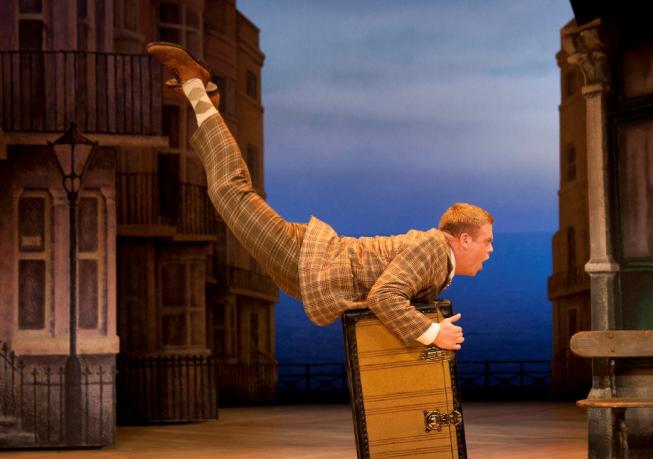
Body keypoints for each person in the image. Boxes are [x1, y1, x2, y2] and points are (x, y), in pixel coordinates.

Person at [146, 42, 494, 351]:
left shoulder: (438, 267)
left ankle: (206, 103)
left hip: (310, 275)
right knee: (229, 191)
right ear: (463, 239)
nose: (490, 250)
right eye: (487, 241)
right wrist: (433, 333)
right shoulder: (434, 249)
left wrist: (430, 327)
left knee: (229, 194)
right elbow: (385, 297)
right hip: (307, 258)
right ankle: (196, 86)